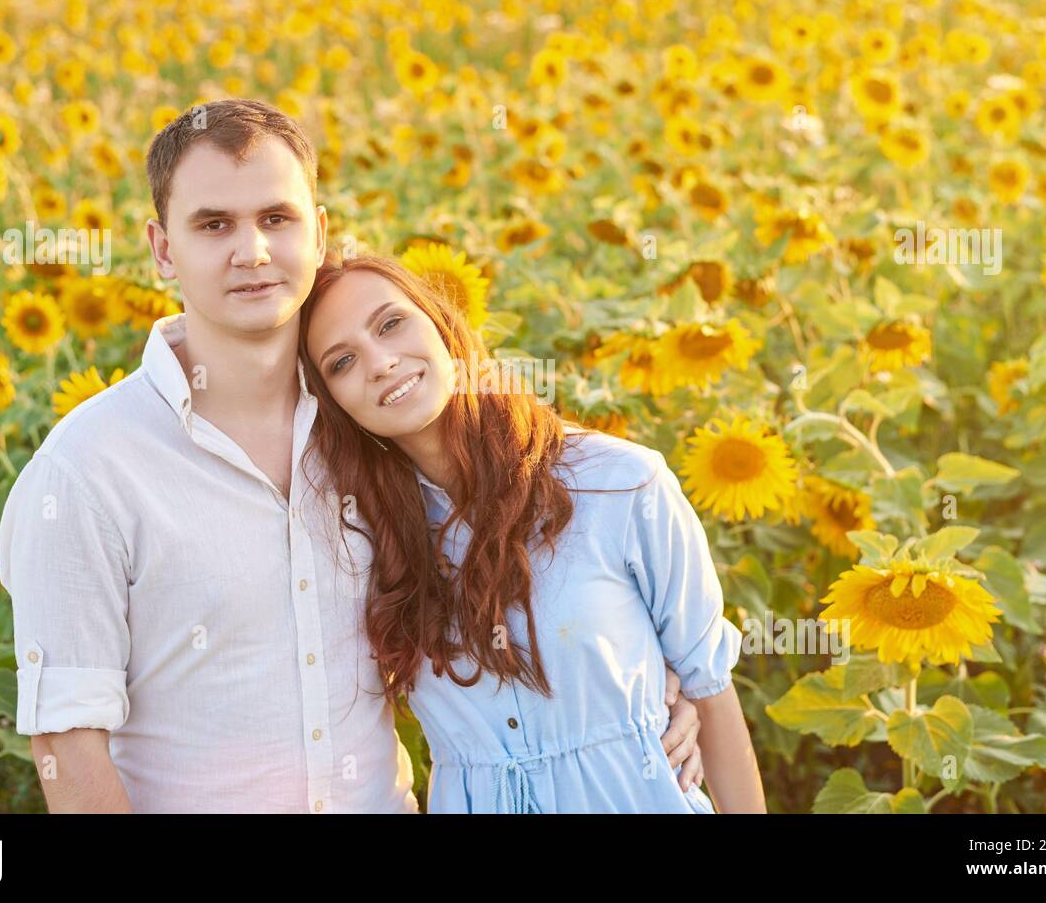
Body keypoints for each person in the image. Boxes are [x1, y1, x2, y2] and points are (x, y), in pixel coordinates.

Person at [0, 98, 702, 812]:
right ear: (162, 248)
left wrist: (643, 702)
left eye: (277, 218)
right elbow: (66, 741)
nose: (254, 252)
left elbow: (512, 577)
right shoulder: (87, 470)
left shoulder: (373, 425)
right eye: (215, 225)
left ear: (320, 230)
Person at [299, 253, 768, 813]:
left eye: (391, 323)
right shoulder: (357, 540)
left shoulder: (618, 486)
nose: (379, 362)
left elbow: (710, 691)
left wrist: (641, 698)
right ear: (331, 403)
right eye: (342, 361)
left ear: (442, 323)